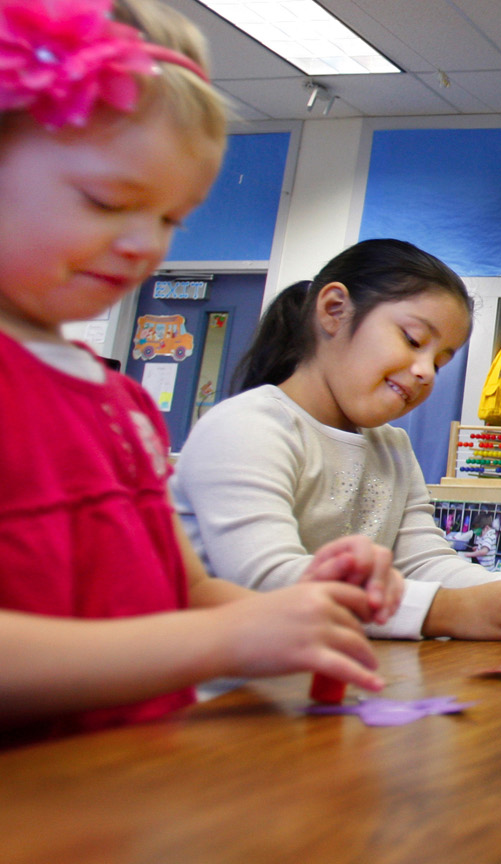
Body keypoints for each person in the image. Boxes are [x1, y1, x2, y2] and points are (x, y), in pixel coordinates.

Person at [0, 0, 402, 745]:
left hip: (124, 790)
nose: (141, 245)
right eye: (108, 201)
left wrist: (298, 606)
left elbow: (181, 591)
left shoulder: (119, 403)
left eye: (169, 220)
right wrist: (223, 644)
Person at [173, 239, 501, 640]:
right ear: (335, 311)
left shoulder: (392, 447)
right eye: (414, 340)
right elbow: (268, 582)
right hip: (224, 691)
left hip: (329, 681)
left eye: (440, 362)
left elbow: (422, 561)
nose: (426, 372)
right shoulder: (248, 426)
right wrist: (445, 610)